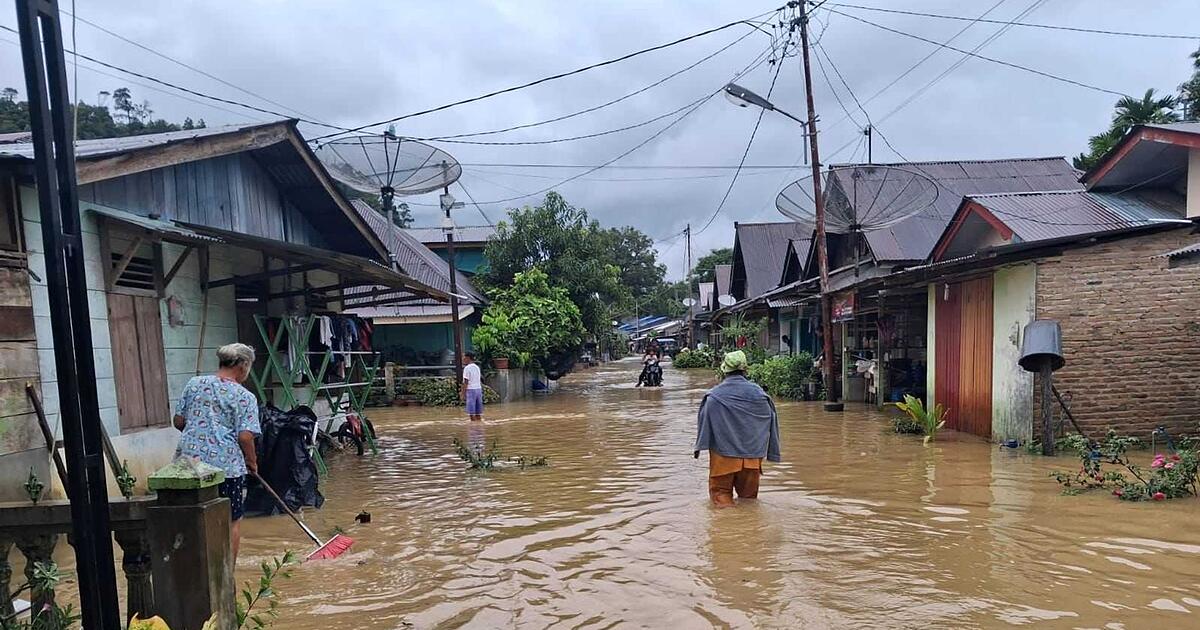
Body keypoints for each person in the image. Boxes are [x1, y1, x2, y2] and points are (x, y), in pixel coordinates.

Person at [173, 343, 261, 559]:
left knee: (189, 519)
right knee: (231, 521)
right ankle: (225, 576)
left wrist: (198, 432)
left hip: (188, 467)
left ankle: (192, 569)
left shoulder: (193, 384)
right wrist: (252, 462)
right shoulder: (245, 397)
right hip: (227, 469)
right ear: (243, 366)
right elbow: (245, 436)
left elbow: (178, 421)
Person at [693, 350, 781, 507]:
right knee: (749, 503)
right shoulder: (761, 396)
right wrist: (772, 453)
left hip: (723, 459)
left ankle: (730, 531)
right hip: (752, 459)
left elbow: (704, 427)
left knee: (721, 498)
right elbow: (771, 425)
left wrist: (699, 449)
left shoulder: (713, 397)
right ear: (745, 369)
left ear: (724, 370)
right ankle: (750, 530)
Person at [462, 351, 484, 421]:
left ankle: (474, 428)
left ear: (468, 358)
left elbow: (466, 382)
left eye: (464, 357)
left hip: (471, 390)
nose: (463, 359)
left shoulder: (467, 368)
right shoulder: (477, 367)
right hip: (478, 390)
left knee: (471, 414)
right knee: (478, 413)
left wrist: (463, 393)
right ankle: (479, 426)